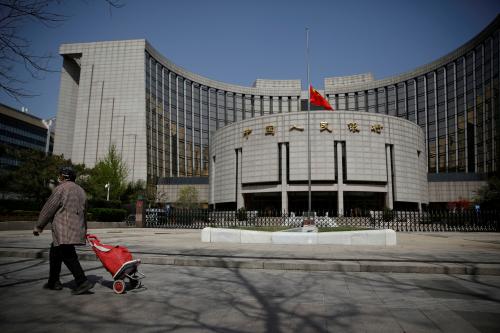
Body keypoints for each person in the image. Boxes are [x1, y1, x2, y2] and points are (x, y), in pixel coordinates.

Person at [33, 166, 93, 295]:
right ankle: (53, 281)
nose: (58, 177)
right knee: (55, 252)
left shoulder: (60, 189)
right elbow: (85, 212)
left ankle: (82, 281)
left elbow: (49, 208)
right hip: (76, 228)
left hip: (63, 228)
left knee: (68, 254)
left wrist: (39, 226)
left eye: (60, 175)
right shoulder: (81, 191)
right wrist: (84, 229)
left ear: (65, 177)